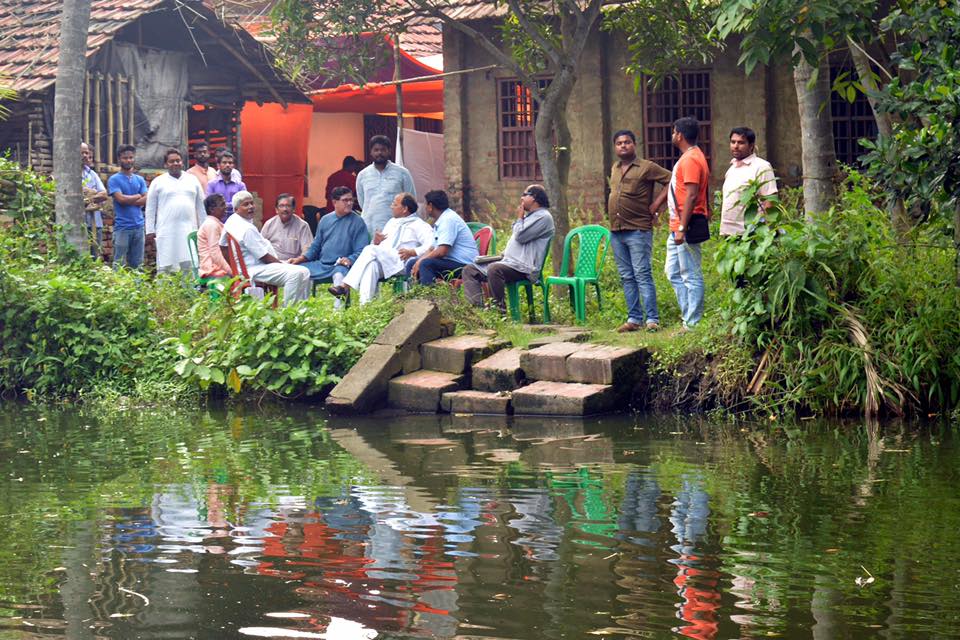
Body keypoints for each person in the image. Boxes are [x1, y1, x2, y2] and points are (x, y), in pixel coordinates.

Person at [607, 129, 672, 332]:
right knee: (626, 276)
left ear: (634, 144)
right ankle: (634, 319)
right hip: (617, 230)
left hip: (638, 229)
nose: (623, 146)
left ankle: (652, 319)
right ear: (615, 147)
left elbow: (671, 181)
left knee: (642, 274)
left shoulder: (647, 167)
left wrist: (656, 206)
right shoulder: (615, 168)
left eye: (627, 142)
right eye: (619, 143)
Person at [328, 192, 433, 304]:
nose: (391, 207)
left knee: (370, 249)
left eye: (395, 204)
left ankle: (345, 286)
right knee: (370, 266)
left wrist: (413, 252)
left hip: (403, 262)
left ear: (405, 209)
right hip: (386, 262)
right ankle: (365, 307)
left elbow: (431, 246)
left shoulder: (420, 225)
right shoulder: (392, 222)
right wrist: (376, 242)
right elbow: (381, 249)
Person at [462, 184, 554, 311]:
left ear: (534, 197)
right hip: (509, 263)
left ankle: (499, 311)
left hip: (524, 267)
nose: (521, 198)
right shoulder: (530, 217)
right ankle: (476, 310)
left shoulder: (543, 217)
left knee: (495, 269)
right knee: (470, 270)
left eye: (524, 194)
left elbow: (520, 236)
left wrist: (519, 218)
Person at [219, 191, 311, 306]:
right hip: (254, 268)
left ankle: (301, 309)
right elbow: (264, 257)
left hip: (248, 267)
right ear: (236, 208)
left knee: (305, 271)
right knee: (295, 274)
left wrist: (234, 268)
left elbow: (222, 246)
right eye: (246, 204)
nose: (251, 207)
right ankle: (289, 311)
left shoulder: (231, 221)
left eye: (251, 203)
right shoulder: (247, 229)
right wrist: (282, 265)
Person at [665, 116, 711, 329]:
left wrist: (682, 227)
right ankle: (688, 316)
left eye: (674, 132)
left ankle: (692, 324)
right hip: (676, 227)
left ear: (680, 135)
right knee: (672, 272)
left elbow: (692, 195)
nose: (672, 135)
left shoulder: (691, 159)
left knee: (690, 274)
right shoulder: (689, 157)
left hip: (686, 225)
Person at [289, 186, 368, 290]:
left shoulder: (358, 222)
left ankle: (338, 306)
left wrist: (349, 259)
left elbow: (362, 250)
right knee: (299, 272)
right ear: (334, 202)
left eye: (351, 200)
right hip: (321, 265)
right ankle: (301, 305)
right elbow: (315, 246)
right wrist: (301, 259)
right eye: (345, 200)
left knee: (340, 275)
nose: (349, 203)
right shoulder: (325, 220)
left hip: (341, 266)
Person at [145, 148, 206, 274]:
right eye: (171, 161)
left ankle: (189, 293)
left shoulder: (192, 180)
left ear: (182, 162)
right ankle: (164, 293)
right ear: (165, 164)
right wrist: (150, 230)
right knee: (165, 266)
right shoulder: (158, 182)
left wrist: (204, 228)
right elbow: (150, 208)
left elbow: (201, 206)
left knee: (189, 264)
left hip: (189, 229)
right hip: (166, 231)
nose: (175, 163)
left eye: (178, 160)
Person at [405, 190, 478, 285]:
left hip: (465, 265)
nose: (424, 208)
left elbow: (441, 251)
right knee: (412, 263)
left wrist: (421, 261)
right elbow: (432, 248)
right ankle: (413, 296)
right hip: (451, 262)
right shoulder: (441, 220)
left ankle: (429, 297)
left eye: (425, 204)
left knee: (426, 264)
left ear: (430, 206)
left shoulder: (448, 220)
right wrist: (418, 261)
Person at [720, 127, 778, 237]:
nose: (735, 146)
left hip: (750, 234)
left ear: (751, 145)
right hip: (728, 233)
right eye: (733, 142)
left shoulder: (761, 167)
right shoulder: (732, 169)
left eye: (741, 143)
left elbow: (770, 201)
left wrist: (767, 233)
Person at [355, 135, 415, 236]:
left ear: (389, 151)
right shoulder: (363, 175)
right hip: (369, 229)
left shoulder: (402, 173)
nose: (379, 153)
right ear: (371, 152)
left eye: (383, 149)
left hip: (396, 229)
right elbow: (362, 202)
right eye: (376, 150)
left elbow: (411, 199)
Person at [107, 144, 148, 269]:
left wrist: (129, 199)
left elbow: (146, 199)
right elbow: (120, 199)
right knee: (119, 264)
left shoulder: (139, 179)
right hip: (122, 227)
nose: (128, 160)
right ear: (119, 159)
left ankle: (137, 287)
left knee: (138, 264)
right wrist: (137, 196)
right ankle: (118, 287)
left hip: (139, 226)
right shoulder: (114, 179)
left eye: (131, 157)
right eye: (125, 158)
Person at [260, 193, 314, 261]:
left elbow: (307, 249)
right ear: (276, 209)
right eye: (281, 206)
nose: (285, 209)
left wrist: (299, 259)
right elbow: (260, 246)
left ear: (294, 209)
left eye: (288, 206)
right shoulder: (269, 224)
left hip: (294, 263)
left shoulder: (302, 226)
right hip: (272, 263)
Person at [81, 142, 107, 259]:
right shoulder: (67, 175)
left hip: (95, 222)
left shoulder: (92, 174)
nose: (85, 155)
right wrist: (93, 196)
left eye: (87, 153)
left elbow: (104, 194)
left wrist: (87, 197)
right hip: (78, 223)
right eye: (82, 153)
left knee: (96, 255)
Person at [197, 194, 231, 279]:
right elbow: (215, 254)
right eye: (222, 205)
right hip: (211, 268)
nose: (226, 207)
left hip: (218, 266)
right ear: (212, 209)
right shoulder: (211, 224)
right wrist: (232, 271)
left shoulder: (215, 223)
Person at [206, 151, 246, 218]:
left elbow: (244, 204)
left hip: (236, 223)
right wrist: (232, 205)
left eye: (230, 163)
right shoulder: (212, 185)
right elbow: (208, 205)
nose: (227, 165)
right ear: (218, 165)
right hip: (217, 222)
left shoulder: (240, 186)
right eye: (224, 162)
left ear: (233, 166)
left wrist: (221, 206)